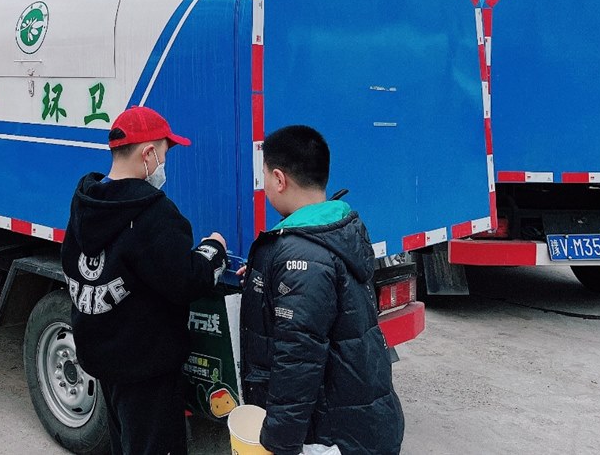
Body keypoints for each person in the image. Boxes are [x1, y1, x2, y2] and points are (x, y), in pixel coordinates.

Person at [61, 105, 228, 455]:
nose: (164, 164)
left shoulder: (86, 204)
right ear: (148, 154)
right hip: (146, 370)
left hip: (104, 361)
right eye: (165, 154)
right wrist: (214, 249)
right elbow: (187, 280)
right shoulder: (153, 214)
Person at [240, 125, 404, 455]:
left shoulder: (301, 254)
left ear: (279, 179)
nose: (265, 186)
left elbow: (297, 360)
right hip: (361, 419)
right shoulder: (338, 226)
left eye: (264, 177)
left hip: (330, 436)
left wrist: (278, 442)